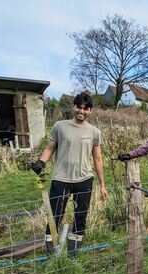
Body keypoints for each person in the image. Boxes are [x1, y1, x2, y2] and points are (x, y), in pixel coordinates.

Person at [30, 92, 107, 258]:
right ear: (73, 107)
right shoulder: (60, 126)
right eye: (79, 107)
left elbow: (98, 159)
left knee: (80, 217)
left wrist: (102, 185)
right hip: (61, 178)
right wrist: (41, 162)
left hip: (84, 179)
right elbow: (50, 148)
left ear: (90, 111)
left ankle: (72, 254)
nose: (82, 111)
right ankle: (51, 254)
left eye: (86, 109)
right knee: (55, 216)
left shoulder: (94, 132)